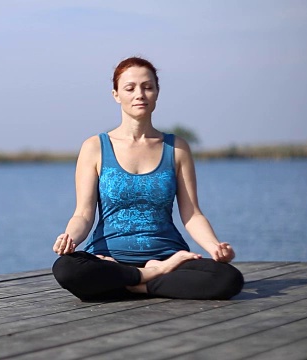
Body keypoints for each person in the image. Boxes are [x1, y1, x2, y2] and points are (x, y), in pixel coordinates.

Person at [51, 56, 244, 301]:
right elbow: (83, 214)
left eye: (148, 87)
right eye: (130, 88)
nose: (139, 94)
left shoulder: (177, 147)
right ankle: (149, 276)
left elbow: (192, 213)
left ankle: (135, 283)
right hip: (110, 259)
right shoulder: (95, 147)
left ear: (157, 93)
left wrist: (215, 247)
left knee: (228, 278)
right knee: (66, 269)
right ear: (116, 95)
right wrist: (69, 239)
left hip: (168, 256)